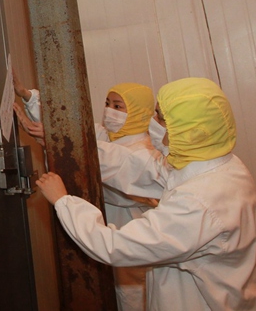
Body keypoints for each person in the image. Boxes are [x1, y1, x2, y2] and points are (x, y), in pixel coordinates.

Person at [37, 77, 256, 310]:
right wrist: (69, 143)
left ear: (190, 131)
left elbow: (116, 246)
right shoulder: (219, 164)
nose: (153, 122)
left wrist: (64, 202)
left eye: (161, 117)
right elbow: (138, 167)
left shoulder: (198, 202)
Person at [14, 76, 157, 311]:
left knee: (132, 295)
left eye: (118, 106)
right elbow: (69, 131)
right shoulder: (106, 135)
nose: (110, 111)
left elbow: (115, 184)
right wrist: (28, 97)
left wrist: (56, 140)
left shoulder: (145, 151)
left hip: (129, 228)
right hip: (103, 227)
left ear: (138, 111)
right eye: (108, 103)